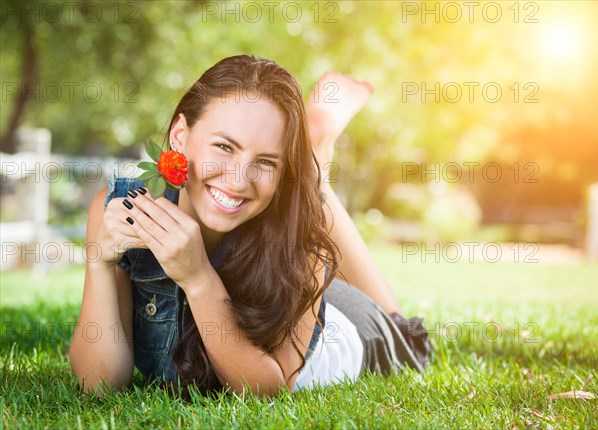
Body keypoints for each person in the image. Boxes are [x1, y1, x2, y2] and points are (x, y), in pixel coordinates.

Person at [69, 55, 431, 398]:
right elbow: (98, 384)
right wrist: (100, 261)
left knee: (409, 336)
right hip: (282, 295)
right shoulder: (121, 212)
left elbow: (270, 389)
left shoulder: (298, 240)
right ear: (180, 136)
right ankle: (311, 155)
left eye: (267, 162)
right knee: (300, 224)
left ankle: (313, 162)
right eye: (225, 146)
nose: (239, 181)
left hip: (342, 332)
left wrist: (197, 278)